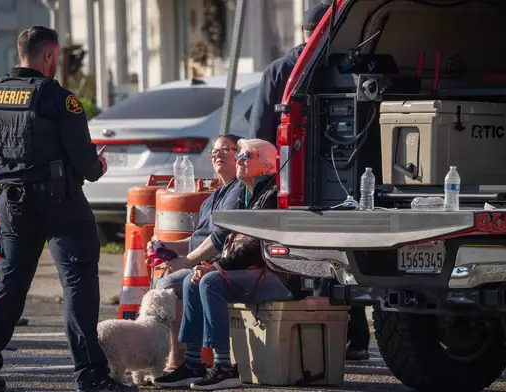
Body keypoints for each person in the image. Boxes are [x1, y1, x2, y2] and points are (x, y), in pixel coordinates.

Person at [0, 26, 136, 392]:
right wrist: (97, 168)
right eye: (57, 57)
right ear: (48, 55)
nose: (58, 64)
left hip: (13, 202)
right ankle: (90, 376)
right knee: (78, 286)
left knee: (9, 286)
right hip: (61, 203)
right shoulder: (59, 99)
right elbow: (88, 165)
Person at [249, 3, 371, 360]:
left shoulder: (283, 70)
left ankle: (318, 341)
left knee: (307, 260)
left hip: (298, 181)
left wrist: (263, 183)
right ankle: (354, 339)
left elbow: (260, 137)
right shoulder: (343, 64)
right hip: (348, 176)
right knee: (348, 255)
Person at [153, 139, 305, 390]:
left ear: (268, 167)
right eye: (240, 156)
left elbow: (254, 248)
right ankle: (192, 364)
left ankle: (224, 366)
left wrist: (216, 267)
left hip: (281, 276)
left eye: (247, 155)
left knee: (210, 281)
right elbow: (235, 245)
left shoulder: (271, 196)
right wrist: (208, 265)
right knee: (194, 281)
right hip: (255, 272)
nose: (239, 160)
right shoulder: (252, 193)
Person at [148, 134, 246, 370]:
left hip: (221, 264)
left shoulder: (238, 190)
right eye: (214, 152)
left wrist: (187, 260)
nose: (218, 155)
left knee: (170, 285)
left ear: (239, 154)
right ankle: (179, 359)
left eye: (226, 149)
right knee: (163, 283)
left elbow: (220, 238)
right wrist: (167, 246)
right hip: (200, 260)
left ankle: (179, 357)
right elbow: (197, 239)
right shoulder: (212, 198)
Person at [248, 3, 330, 145]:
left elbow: (259, 128)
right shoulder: (339, 68)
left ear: (302, 29)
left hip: (287, 161)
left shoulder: (276, 70)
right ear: (331, 29)